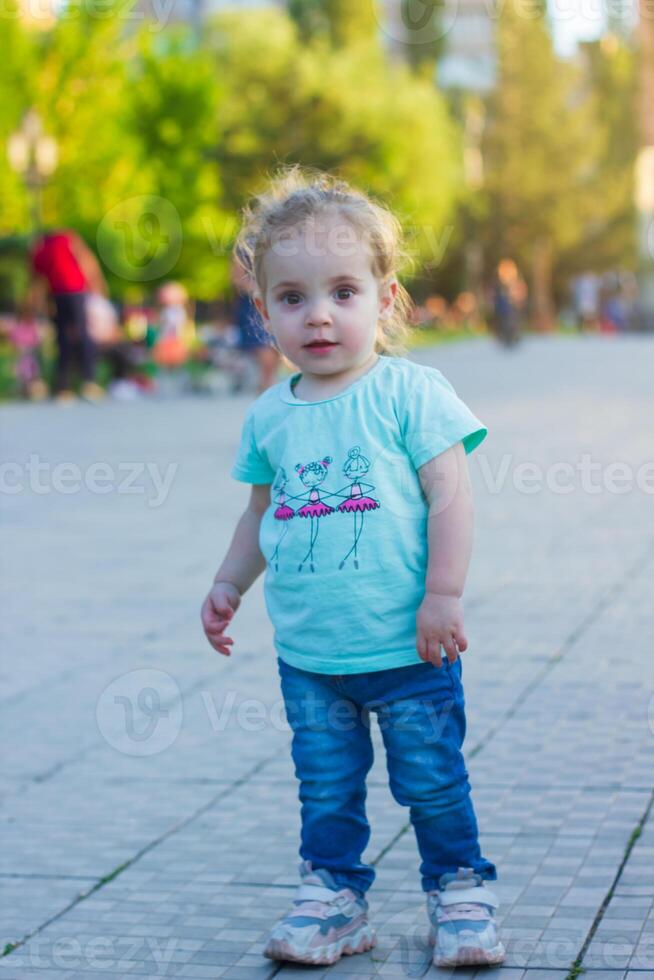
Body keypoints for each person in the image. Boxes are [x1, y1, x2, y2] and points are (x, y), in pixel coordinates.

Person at [200, 166, 505, 969]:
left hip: (409, 647)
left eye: (343, 291)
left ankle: (460, 890)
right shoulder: (270, 415)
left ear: (387, 300)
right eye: (293, 298)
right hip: (312, 656)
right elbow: (262, 514)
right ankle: (334, 897)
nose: (320, 315)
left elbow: (453, 499)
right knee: (326, 789)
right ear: (264, 314)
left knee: (432, 782)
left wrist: (444, 594)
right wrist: (230, 584)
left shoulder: (410, 394)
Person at [28, 229, 107, 401]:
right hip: (76, 292)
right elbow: (87, 261)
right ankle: (87, 381)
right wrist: (97, 286)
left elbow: (37, 279)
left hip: (58, 295)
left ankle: (64, 386)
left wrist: (37, 305)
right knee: (82, 334)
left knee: (63, 338)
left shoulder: (42, 249)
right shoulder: (67, 239)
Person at [230, 250, 280, 394]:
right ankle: (265, 391)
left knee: (273, 353)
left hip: (271, 303)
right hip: (253, 308)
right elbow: (237, 279)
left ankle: (267, 389)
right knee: (266, 354)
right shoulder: (243, 251)